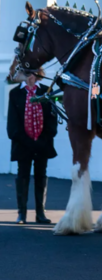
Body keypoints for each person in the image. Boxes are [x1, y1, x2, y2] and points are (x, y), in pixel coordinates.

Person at [7, 69, 57, 224]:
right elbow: (12, 125)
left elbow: (52, 121)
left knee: (41, 176)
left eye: (33, 74)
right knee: (22, 176)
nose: (31, 77)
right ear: (22, 75)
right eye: (27, 74)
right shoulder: (15, 93)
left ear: (39, 74)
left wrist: (41, 141)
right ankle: (21, 214)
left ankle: (40, 213)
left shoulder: (46, 92)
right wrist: (29, 142)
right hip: (23, 145)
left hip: (42, 144)